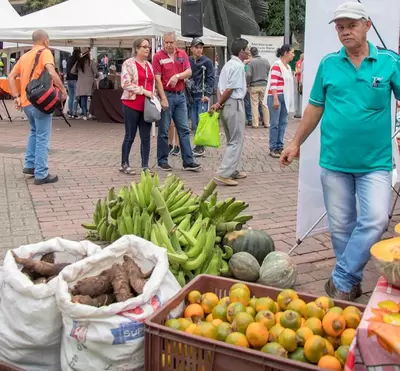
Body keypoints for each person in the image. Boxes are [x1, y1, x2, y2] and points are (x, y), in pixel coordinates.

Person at [280, 2, 400, 300]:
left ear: (367, 25)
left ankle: (341, 277)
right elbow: (314, 107)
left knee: (375, 219)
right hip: (334, 162)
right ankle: (350, 282)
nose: (345, 31)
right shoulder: (328, 65)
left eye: (351, 25)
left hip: (376, 163)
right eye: (340, 26)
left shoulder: (389, 61)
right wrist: (295, 143)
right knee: (341, 228)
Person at [8, 29, 67, 185]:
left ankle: (30, 165)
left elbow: (11, 76)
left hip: (26, 101)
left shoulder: (25, 55)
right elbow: (52, 73)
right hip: (40, 102)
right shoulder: (45, 52)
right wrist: (62, 89)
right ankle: (41, 173)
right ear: (45, 40)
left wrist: (16, 97)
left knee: (34, 132)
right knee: (42, 136)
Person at [152, 31, 201, 172]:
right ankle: (162, 161)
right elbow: (158, 79)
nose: (168, 45)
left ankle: (188, 161)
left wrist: (177, 76)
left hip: (180, 96)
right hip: (167, 95)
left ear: (176, 42)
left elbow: (189, 71)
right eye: (166, 42)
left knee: (184, 129)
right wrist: (163, 98)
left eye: (171, 42)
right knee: (164, 130)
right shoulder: (158, 57)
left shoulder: (182, 55)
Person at [209, 38, 249, 186]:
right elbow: (230, 88)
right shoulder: (237, 67)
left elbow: (220, 88)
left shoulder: (228, 65)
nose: (249, 51)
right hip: (234, 103)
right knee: (236, 140)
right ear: (242, 52)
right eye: (247, 49)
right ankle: (224, 173)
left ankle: (232, 169)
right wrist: (219, 103)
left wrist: (220, 104)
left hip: (227, 104)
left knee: (232, 138)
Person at [119, 38, 155, 175]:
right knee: (130, 135)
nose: (147, 49)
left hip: (146, 106)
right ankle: (124, 163)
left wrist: (154, 96)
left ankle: (145, 166)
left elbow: (152, 83)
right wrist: (143, 91)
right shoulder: (128, 64)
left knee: (146, 137)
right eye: (144, 46)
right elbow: (125, 84)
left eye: (148, 47)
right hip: (131, 104)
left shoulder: (149, 65)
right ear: (137, 48)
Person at [265, 44, 295, 158]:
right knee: (275, 123)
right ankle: (273, 147)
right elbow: (273, 84)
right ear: (286, 52)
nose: (293, 54)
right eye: (292, 52)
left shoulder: (287, 67)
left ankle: (279, 145)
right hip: (275, 96)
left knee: (283, 122)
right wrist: (275, 99)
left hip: (284, 97)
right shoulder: (277, 65)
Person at [187, 38, 215, 157]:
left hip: (201, 95)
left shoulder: (207, 62)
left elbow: (211, 78)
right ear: (191, 48)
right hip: (191, 96)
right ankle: (197, 144)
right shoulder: (188, 61)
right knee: (193, 122)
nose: (199, 50)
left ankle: (200, 146)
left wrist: (208, 94)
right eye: (197, 47)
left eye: (201, 47)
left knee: (200, 121)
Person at [71, 48, 98, 120]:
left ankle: (85, 114)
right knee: (93, 97)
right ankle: (92, 113)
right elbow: (96, 72)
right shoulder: (90, 62)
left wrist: (79, 74)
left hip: (81, 82)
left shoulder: (78, 62)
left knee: (83, 98)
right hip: (90, 82)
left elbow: (72, 71)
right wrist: (96, 75)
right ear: (88, 54)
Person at [246, 47, 270, 128]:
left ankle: (255, 124)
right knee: (264, 104)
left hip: (254, 85)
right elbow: (268, 70)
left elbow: (248, 74)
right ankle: (267, 123)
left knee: (254, 105)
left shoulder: (251, 62)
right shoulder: (265, 61)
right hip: (264, 85)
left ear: (251, 53)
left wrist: (247, 83)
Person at [66, 47, 80, 118]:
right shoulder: (77, 59)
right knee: (75, 96)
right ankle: (74, 112)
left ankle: (70, 111)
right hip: (75, 79)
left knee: (70, 96)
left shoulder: (69, 59)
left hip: (69, 79)